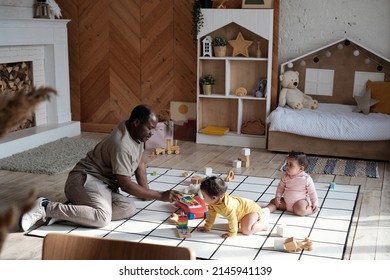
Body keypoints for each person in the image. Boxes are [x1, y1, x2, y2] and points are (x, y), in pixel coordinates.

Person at [20, 104, 181, 231]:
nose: (152, 132)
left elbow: (140, 163)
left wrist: (147, 193)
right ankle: (45, 207)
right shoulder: (122, 145)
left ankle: (71, 212)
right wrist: (159, 195)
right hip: (83, 179)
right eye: (150, 128)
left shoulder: (135, 132)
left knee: (128, 207)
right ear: (136, 122)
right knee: (102, 218)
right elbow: (125, 185)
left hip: (104, 185)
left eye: (154, 128)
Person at [197, 176, 269, 238]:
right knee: (240, 225)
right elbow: (211, 216)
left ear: (214, 198)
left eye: (204, 196)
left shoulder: (227, 206)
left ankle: (263, 222)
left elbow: (232, 219)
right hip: (242, 214)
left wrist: (231, 234)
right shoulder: (213, 203)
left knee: (246, 230)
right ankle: (259, 216)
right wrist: (207, 227)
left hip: (251, 211)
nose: (202, 198)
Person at [266, 151, 318, 216]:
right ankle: (266, 211)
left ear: (301, 168)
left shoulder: (306, 179)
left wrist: (314, 203)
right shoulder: (285, 176)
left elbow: (312, 192)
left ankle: (311, 210)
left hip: (299, 202)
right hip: (286, 203)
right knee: (274, 201)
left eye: (290, 165)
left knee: (301, 210)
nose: (287, 166)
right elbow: (280, 187)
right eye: (287, 163)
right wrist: (278, 196)